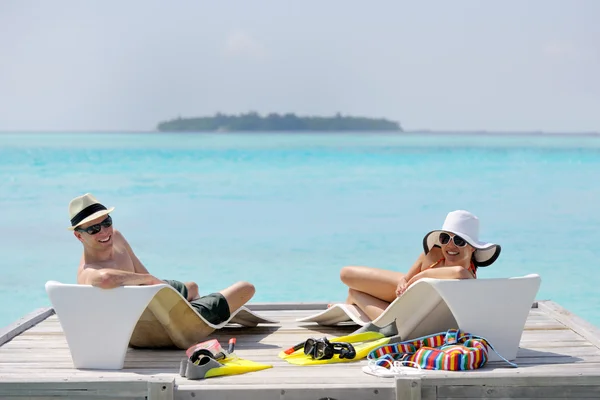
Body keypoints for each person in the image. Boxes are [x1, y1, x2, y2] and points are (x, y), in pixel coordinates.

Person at [69, 193, 255, 325]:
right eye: (94, 229)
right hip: (154, 320)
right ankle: (199, 315)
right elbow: (105, 278)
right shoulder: (88, 271)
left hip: (154, 297)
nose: (104, 232)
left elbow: (145, 275)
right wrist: (149, 281)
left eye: (106, 222)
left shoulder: (116, 236)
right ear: (79, 236)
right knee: (246, 288)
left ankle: (199, 308)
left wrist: (152, 282)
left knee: (192, 286)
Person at [339, 210, 501, 320]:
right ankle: (351, 301)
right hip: (404, 296)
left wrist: (421, 276)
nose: (450, 246)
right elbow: (406, 280)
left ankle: (354, 298)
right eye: (445, 238)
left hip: (410, 318)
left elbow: (457, 272)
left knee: (358, 294)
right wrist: (405, 281)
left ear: (472, 247)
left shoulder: (466, 276)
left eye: (459, 241)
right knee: (346, 274)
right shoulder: (434, 255)